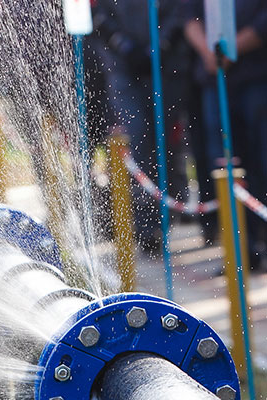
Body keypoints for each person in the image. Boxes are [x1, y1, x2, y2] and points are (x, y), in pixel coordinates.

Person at [92, 0, 190, 254]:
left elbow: (181, 11)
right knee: (137, 142)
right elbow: (99, 14)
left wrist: (161, 45)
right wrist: (122, 45)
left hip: (166, 67)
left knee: (166, 145)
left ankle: (168, 212)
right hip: (123, 68)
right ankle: (146, 226)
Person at [182, 0, 267, 270]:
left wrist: (233, 47)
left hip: (258, 75)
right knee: (224, 165)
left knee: (262, 161)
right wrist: (210, 51)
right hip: (215, 78)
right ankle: (241, 250)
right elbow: (189, 16)